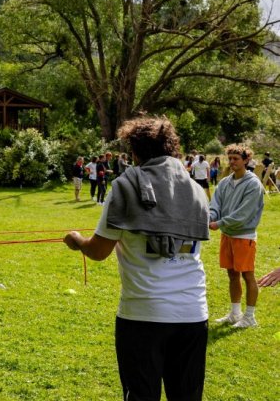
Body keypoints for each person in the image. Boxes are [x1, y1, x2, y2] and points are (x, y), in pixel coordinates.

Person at [64, 116, 209, 401]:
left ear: (135, 151)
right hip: (193, 313)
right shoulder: (195, 189)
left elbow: (98, 251)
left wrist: (77, 240)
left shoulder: (124, 186)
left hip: (143, 315)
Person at [208, 144, 264, 328]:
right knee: (232, 275)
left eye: (236, 159)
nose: (232, 162)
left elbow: (244, 214)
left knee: (248, 276)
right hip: (228, 235)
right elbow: (215, 204)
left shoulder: (253, 184)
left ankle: (249, 317)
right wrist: (210, 217)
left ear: (246, 160)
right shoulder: (225, 182)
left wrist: (219, 223)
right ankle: (234, 313)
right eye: (229, 158)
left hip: (244, 235)